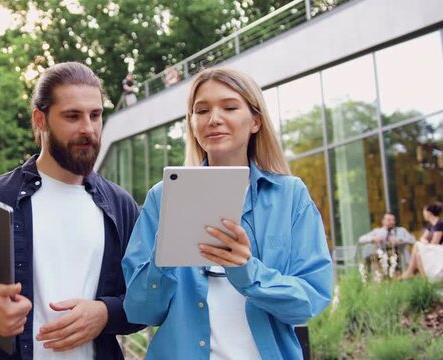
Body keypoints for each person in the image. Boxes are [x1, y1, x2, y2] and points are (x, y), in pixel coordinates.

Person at [0, 62, 143, 360]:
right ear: (40, 119)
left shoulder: (121, 205)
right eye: (72, 116)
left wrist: (105, 314)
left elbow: (151, 297)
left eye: (95, 115)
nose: (88, 128)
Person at [122, 67, 333, 359]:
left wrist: (249, 272)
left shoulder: (291, 196)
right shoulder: (163, 197)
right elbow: (139, 311)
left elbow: (310, 301)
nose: (214, 119)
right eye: (201, 110)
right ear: (192, 123)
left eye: (230, 107)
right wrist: (163, 260)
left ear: (256, 121)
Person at [401, 202, 443, 281]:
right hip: (431, 248)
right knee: (418, 254)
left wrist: (425, 243)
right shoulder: (430, 225)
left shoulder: (440, 224)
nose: (423, 214)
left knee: (417, 245)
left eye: (424, 212)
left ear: (428, 213)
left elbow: (435, 243)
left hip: (439, 250)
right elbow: (422, 238)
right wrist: (425, 242)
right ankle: (425, 280)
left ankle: (410, 271)